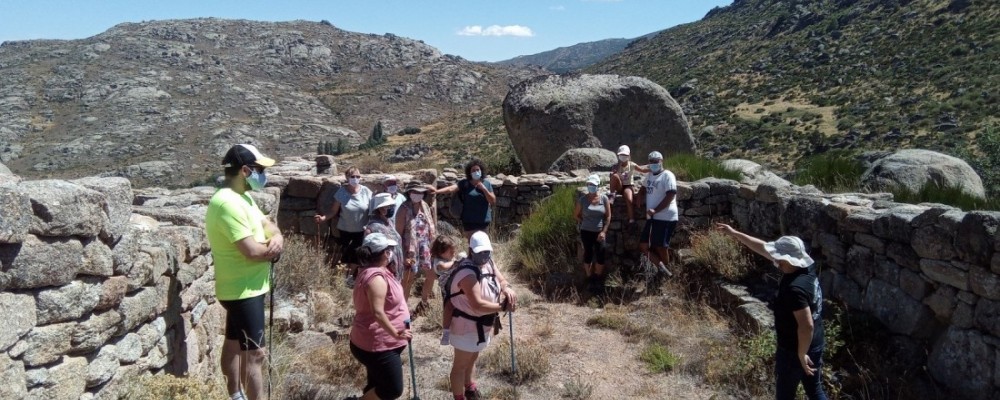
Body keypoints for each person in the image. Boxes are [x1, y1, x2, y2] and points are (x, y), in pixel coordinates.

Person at [205, 144, 284, 400]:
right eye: (260, 170)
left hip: (246, 286)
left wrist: (278, 236)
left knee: (233, 343)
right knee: (256, 354)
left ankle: (235, 395)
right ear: (246, 170)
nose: (264, 175)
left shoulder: (243, 198)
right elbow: (251, 251)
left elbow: (267, 224)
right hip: (242, 290)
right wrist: (274, 249)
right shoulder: (227, 204)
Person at [715, 223, 828, 400]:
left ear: (788, 260)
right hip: (815, 343)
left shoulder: (794, 289)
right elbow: (762, 248)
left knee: (785, 395)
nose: (775, 261)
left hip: (795, 349)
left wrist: (801, 354)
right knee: (815, 390)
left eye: (779, 258)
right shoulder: (807, 269)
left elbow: (806, 326)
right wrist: (734, 233)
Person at [446, 231, 516, 400]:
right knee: (460, 365)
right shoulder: (467, 274)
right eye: (480, 252)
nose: (484, 255)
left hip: (483, 324)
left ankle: (470, 388)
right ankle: (459, 397)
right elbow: (477, 304)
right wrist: (502, 307)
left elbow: (501, 280)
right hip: (466, 326)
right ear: (471, 251)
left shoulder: (488, 263)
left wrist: (507, 288)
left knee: (473, 358)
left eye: (487, 251)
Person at [349, 233, 413, 400]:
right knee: (392, 389)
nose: (391, 252)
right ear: (385, 253)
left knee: (376, 383)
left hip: (379, 342)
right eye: (389, 250)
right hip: (378, 344)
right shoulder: (376, 278)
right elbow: (377, 312)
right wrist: (396, 333)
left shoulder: (378, 270)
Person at [315, 167, 372, 287]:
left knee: (358, 254)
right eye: (352, 177)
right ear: (347, 177)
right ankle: (345, 278)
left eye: (357, 176)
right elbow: (333, 211)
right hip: (345, 229)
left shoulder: (366, 191)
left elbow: (372, 210)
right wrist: (323, 218)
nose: (355, 179)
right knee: (346, 253)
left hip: (362, 230)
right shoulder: (342, 192)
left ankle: (350, 277)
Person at [636, 151, 678, 277]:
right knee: (644, 246)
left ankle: (667, 271)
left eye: (656, 161)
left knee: (661, 246)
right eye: (652, 161)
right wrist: (639, 195)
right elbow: (644, 187)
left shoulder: (667, 175)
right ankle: (664, 270)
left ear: (661, 161)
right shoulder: (649, 175)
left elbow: (671, 195)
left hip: (665, 216)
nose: (654, 164)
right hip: (652, 217)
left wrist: (656, 210)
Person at [395, 180, 437, 305]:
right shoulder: (403, 209)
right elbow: (398, 234)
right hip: (409, 249)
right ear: (409, 192)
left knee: (431, 274)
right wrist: (402, 254)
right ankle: (402, 307)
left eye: (421, 192)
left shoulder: (425, 206)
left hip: (426, 247)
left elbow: (431, 226)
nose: (418, 194)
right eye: (415, 191)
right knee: (408, 279)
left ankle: (424, 302)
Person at [435, 159, 496, 240]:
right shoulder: (464, 183)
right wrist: (436, 191)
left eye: (478, 170)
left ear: (481, 170)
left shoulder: (486, 184)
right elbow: (451, 189)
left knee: (483, 247)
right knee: (471, 246)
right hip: (468, 222)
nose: (476, 172)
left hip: (483, 222)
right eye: (473, 170)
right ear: (469, 173)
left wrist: (484, 189)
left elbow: (492, 201)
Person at [573, 174, 611, 294]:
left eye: (593, 185)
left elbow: (608, 216)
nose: (591, 187)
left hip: (599, 232)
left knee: (601, 252)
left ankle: (597, 278)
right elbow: (576, 215)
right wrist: (583, 222)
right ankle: (590, 279)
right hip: (586, 231)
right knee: (588, 253)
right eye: (589, 185)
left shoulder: (604, 198)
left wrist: (604, 231)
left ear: (597, 186)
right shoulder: (582, 200)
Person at [430, 235, 466, 346]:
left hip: (456, 287)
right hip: (447, 290)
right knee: (448, 308)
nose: (453, 253)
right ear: (441, 252)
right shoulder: (438, 261)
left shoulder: (450, 258)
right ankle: (446, 332)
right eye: (450, 251)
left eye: (454, 250)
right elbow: (444, 267)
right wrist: (456, 262)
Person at [365, 193, 405, 280]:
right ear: (379, 209)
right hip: (385, 269)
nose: (391, 208)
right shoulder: (373, 227)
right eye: (388, 206)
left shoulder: (389, 222)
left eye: (392, 206)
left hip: (395, 268)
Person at [609, 145, 649, 227]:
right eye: (621, 155)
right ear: (618, 156)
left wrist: (651, 168)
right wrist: (613, 173)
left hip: (628, 186)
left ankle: (631, 219)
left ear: (629, 156)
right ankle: (612, 195)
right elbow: (613, 177)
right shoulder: (616, 166)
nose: (623, 157)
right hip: (619, 185)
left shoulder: (632, 165)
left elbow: (642, 170)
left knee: (629, 199)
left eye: (625, 155)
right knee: (614, 176)